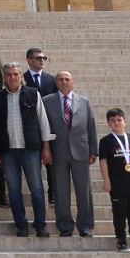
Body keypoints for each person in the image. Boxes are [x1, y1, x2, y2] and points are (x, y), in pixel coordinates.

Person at [0, 62, 54, 237]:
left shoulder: (33, 94)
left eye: (15, 74)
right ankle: (21, 224)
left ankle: (40, 225)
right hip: (8, 150)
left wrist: (46, 147)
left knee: (36, 187)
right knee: (13, 189)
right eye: (9, 75)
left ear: (22, 76)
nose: (12, 77)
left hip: (30, 149)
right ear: (4, 77)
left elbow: (43, 121)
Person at [42, 71, 98, 237]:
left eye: (67, 79)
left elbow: (91, 126)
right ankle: (65, 226)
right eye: (61, 79)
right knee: (60, 191)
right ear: (56, 82)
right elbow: (44, 127)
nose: (64, 82)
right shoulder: (47, 101)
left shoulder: (84, 101)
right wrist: (46, 149)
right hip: (58, 151)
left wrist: (93, 149)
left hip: (81, 151)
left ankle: (86, 226)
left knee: (84, 190)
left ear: (73, 82)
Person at [98, 107, 130, 252]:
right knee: (119, 212)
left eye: (119, 120)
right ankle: (121, 240)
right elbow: (103, 161)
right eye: (113, 121)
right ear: (108, 123)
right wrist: (106, 180)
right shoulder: (106, 141)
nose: (116, 123)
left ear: (125, 121)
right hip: (117, 183)